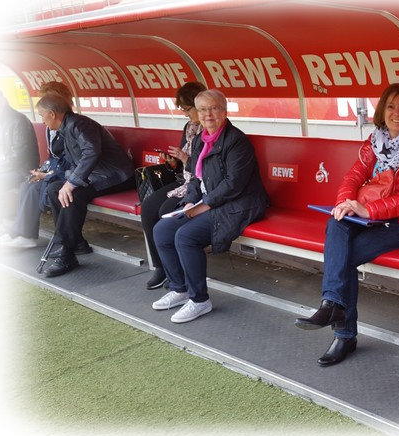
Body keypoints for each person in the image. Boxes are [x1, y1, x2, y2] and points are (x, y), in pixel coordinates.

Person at [294, 83, 399, 366]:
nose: (397, 113)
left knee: (345, 255)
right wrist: (344, 204)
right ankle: (331, 304)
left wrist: (367, 209)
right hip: (371, 217)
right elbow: (352, 177)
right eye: (391, 106)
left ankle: (343, 333)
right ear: (382, 111)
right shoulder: (375, 140)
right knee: (336, 222)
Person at [151, 89, 269, 324]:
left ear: (224, 111)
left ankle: (199, 300)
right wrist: (188, 202)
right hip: (208, 201)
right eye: (203, 109)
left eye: (214, 108)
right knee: (162, 230)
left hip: (239, 204)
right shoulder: (201, 140)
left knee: (186, 236)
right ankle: (180, 288)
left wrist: (204, 205)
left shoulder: (236, 140)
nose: (208, 115)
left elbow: (234, 184)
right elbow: (196, 178)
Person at [36, 93, 136, 278]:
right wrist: (66, 181)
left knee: (74, 195)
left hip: (117, 176)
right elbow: (76, 162)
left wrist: (71, 183)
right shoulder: (66, 127)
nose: (42, 121)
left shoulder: (80, 124)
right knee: (54, 189)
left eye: (42, 116)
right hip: (96, 176)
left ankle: (67, 253)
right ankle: (77, 243)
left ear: (52, 114)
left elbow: (91, 153)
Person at [140, 81, 206, 289]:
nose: (185, 114)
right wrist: (174, 162)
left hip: (201, 184)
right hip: (184, 180)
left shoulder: (210, 129)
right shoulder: (189, 128)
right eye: (182, 109)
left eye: (187, 109)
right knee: (148, 207)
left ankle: (177, 272)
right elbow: (183, 166)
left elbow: (207, 167)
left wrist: (185, 159)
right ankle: (161, 267)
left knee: (166, 211)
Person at [0, 81, 72, 249]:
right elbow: (54, 157)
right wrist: (45, 171)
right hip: (53, 170)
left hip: (25, 169)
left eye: (46, 101)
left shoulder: (71, 125)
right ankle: (25, 235)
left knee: (35, 186)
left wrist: (48, 174)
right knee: (28, 185)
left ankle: (16, 233)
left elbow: (17, 157)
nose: (41, 113)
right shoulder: (50, 126)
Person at [0, 88, 40, 235]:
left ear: (0, 102)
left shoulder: (18, 120)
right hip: (5, 167)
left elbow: (17, 156)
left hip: (21, 169)